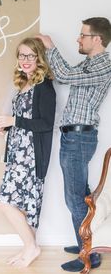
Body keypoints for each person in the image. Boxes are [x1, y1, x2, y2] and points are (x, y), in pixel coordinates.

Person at [36, 17, 111, 272]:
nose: (78, 39)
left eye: (83, 35)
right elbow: (63, 76)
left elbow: (66, 75)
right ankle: (88, 242)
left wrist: (50, 46)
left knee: (74, 198)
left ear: (97, 40)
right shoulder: (90, 64)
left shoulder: (103, 64)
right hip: (75, 137)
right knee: (81, 195)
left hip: (79, 138)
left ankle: (88, 254)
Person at [0, 37, 56, 268]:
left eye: (31, 55)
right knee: (19, 204)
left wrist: (14, 120)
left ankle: (32, 247)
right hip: (17, 154)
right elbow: (23, 121)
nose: (26, 60)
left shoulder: (45, 86)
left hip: (30, 157)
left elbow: (45, 123)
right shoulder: (23, 85)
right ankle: (28, 247)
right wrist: (6, 126)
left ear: (39, 57)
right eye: (22, 55)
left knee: (5, 202)